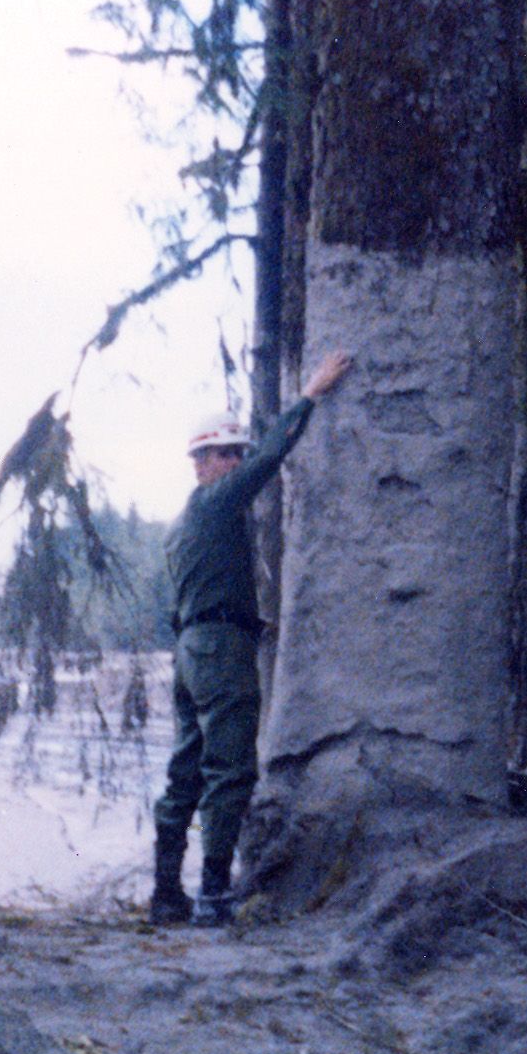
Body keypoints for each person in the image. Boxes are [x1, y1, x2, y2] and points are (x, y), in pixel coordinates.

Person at [151, 349, 353, 926]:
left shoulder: (184, 525)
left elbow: (201, 594)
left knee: (186, 770)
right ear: (201, 462)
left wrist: (249, 622)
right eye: (225, 453)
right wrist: (310, 395)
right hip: (218, 652)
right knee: (230, 769)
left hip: (193, 650)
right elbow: (270, 459)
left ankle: (167, 895)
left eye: (237, 452)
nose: (237, 460)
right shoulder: (216, 504)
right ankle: (213, 897)